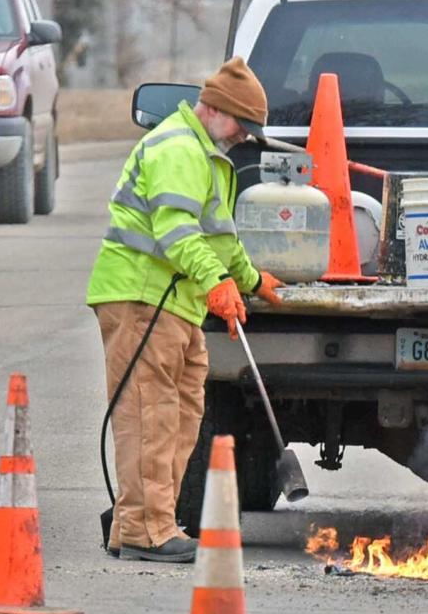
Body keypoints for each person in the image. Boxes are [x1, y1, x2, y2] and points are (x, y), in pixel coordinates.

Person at [86, 57, 285, 563]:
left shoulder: (208, 156)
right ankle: (146, 531)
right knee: (150, 416)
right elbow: (177, 232)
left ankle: (143, 523)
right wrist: (216, 283)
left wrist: (249, 279)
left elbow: (220, 236)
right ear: (214, 108)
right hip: (141, 299)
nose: (245, 137)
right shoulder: (178, 148)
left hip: (175, 304)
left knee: (181, 413)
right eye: (242, 124)